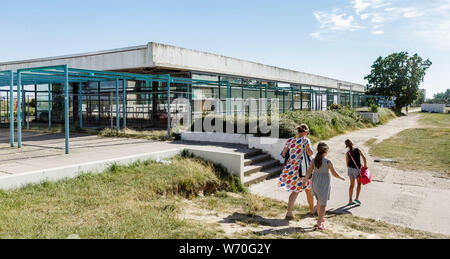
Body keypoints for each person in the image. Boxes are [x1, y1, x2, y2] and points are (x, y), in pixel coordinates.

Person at [301, 142, 345, 230]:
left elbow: (309, 172)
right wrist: (341, 177)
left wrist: (304, 182)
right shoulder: (328, 161)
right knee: (323, 205)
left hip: (315, 183)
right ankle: (319, 223)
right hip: (323, 184)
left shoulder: (313, 160)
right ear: (326, 151)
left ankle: (320, 217)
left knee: (318, 201)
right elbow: (334, 173)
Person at [278, 124, 315, 220]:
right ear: (304, 132)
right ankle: (310, 211)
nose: (307, 134)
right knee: (307, 189)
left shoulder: (290, 140)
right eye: (307, 132)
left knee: (297, 190)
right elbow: (310, 153)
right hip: (302, 169)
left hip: (291, 168)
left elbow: (283, 153)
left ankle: (290, 212)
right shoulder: (305, 140)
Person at [345, 139, 368, 206]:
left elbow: (347, 163)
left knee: (351, 185)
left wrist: (350, 168)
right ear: (352, 143)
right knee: (359, 184)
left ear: (347, 146)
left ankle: (350, 200)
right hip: (356, 169)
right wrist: (365, 166)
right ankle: (356, 198)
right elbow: (364, 158)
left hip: (350, 169)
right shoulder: (357, 150)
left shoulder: (347, 153)